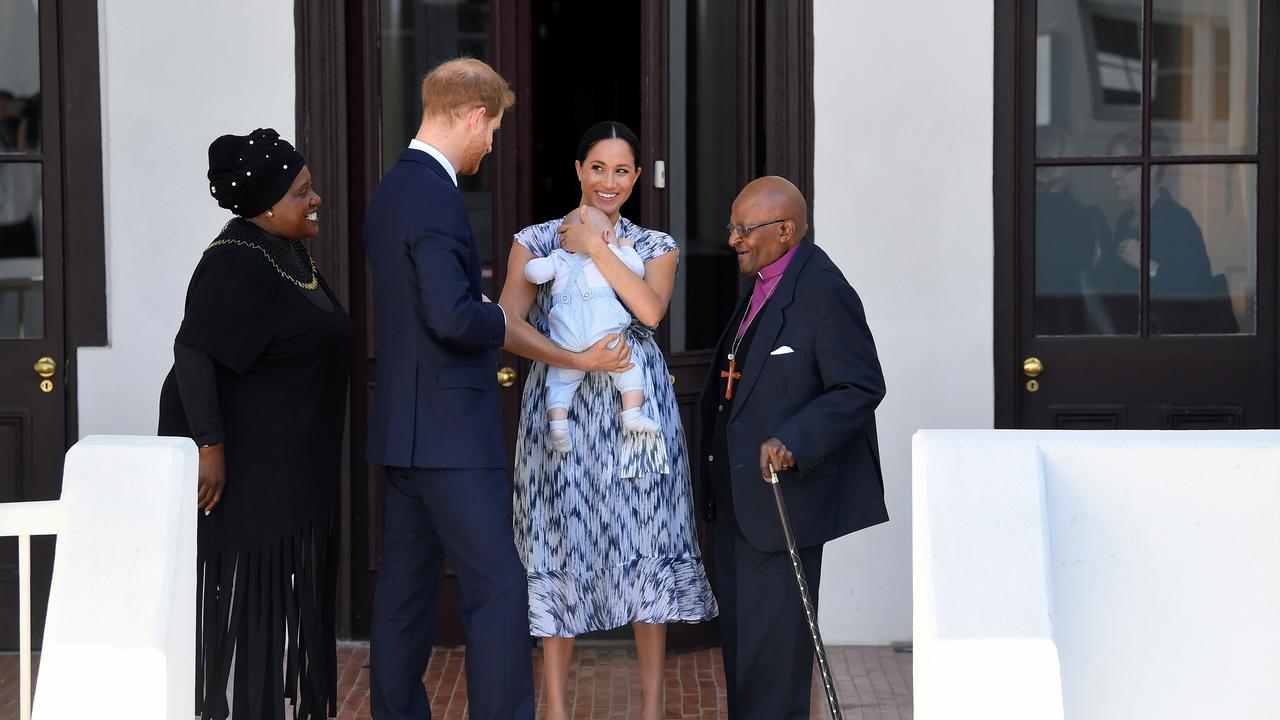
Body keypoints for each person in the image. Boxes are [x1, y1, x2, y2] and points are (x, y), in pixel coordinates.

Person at [497, 120, 718, 720]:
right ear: (578, 170)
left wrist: (595, 246)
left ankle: (651, 708)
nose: (609, 182)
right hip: (561, 409)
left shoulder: (655, 246)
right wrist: (575, 358)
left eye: (622, 171)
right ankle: (556, 708)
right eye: (598, 168)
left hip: (637, 410)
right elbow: (506, 326)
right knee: (560, 540)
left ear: (638, 178)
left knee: (648, 535)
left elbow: (648, 309)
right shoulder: (534, 241)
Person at [362, 57, 545, 720]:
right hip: (451, 434)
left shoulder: (391, 189)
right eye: (492, 128)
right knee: (497, 589)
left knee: (404, 595)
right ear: (473, 116)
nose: (492, 144)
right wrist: (505, 318)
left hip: (404, 432)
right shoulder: (437, 196)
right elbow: (449, 314)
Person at [158, 127, 351, 720]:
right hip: (252, 486)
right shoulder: (236, 262)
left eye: (311, 187)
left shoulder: (286, 251)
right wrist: (209, 446)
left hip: (293, 477)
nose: (315, 200)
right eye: (301, 192)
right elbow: (193, 352)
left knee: (280, 615)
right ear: (265, 205)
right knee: (254, 616)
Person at [698, 176, 887, 719]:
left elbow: (860, 385)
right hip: (739, 504)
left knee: (776, 659)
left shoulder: (824, 291)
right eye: (731, 226)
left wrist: (794, 440)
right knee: (745, 653)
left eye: (744, 228)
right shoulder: (762, 283)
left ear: (785, 230)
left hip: (783, 507)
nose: (733, 239)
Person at [523, 204, 660, 451]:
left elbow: (533, 273)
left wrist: (535, 264)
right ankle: (631, 415)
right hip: (603, 328)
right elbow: (637, 270)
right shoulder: (611, 253)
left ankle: (558, 427)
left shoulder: (558, 258)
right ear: (608, 236)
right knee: (628, 368)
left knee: (560, 379)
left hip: (567, 333)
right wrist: (625, 248)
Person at [1105, 128, 1238, 334]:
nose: (1112, 175)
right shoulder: (1124, 221)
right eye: (1111, 167)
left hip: (1167, 343)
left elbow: (1199, 288)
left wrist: (1147, 265)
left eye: (1123, 167)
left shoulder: (1177, 220)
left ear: (1151, 169)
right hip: (1131, 338)